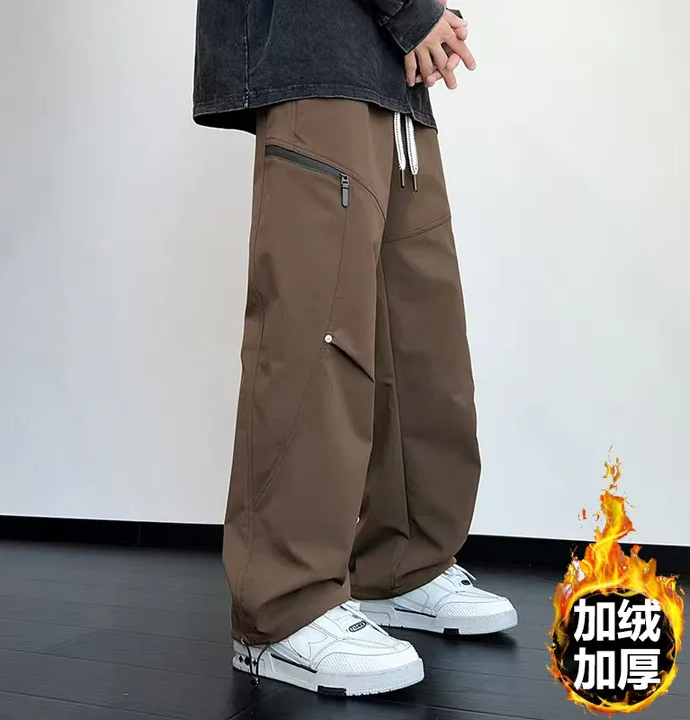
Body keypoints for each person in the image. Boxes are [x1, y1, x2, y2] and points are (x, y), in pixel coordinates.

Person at [193, 0, 517, 697]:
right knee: (316, 332)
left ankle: (404, 565)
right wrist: (415, 11)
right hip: (319, 45)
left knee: (420, 334)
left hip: (391, 68)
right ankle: (281, 608)